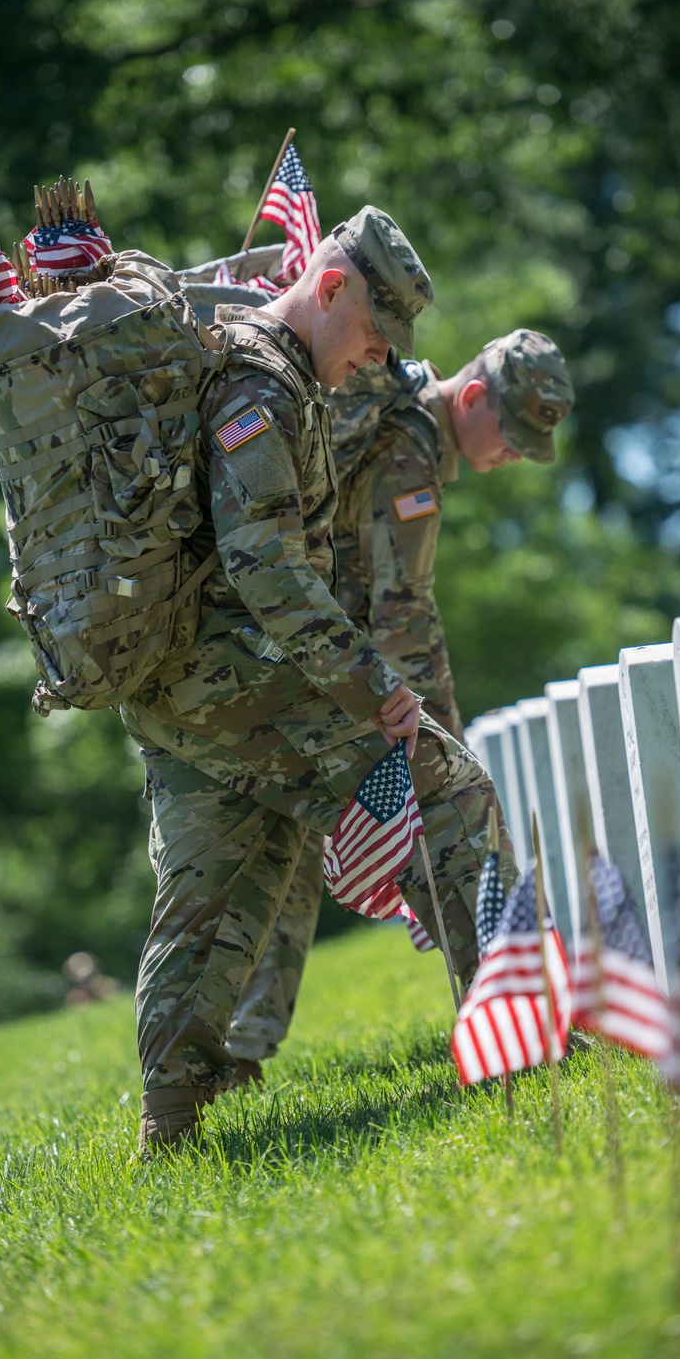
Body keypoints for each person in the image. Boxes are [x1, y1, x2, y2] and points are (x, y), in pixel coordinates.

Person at [118, 207, 520, 1154]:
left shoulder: (270, 372)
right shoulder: (264, 382)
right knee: (452, 791)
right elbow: (264, 563)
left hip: (176, 692)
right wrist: (368, 681)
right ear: (330, 287)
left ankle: (173, 1126)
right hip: (242, 680)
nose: (378, 360)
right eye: (374, 335)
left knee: (219, 894)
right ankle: (518, 1033)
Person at [226, 329, 575, 1081]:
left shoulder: (399, 421)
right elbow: (403, 618)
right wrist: (445, 740)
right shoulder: (411, 450)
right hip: (327, 666)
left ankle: (236, 1054)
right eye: (511, 434)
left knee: (281, 857)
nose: (512, 454)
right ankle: (510, 1019)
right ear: (472, 396)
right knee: (450, 819)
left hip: (279, 658)